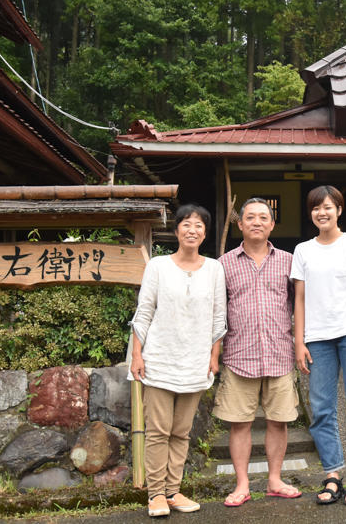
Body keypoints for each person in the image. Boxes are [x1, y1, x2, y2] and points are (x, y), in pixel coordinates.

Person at [128, 204, 227, 517]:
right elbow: (144, 312)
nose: (192, 230)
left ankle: (173, 490)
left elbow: (218, 317)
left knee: (181, 432)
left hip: (195, 361)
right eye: (186, 224)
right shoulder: (158, 266)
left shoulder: (214, 269)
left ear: (205, 233)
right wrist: (136, 353)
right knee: (158, 431)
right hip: (159, 358)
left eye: (199, 225)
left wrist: (214, 357)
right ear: (176, 230)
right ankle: (156, 493)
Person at [291, 185, 346, 506]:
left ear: (339, 209)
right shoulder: (303, 250)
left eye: (328, 206)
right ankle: (332, 474)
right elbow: (298, 300)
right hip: (317, 339)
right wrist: (298, 342)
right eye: (315, 208)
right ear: (310, 213)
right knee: (322, 410)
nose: (321, 212)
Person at [214, 197, 300, 507]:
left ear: (272, 224)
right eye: (250, 217)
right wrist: (215, 353)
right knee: (240, 423)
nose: (257, 222)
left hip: (279, 353)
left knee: (279, 421)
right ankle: (242, 484)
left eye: (264, 217)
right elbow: (216, 311)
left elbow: (299, 305)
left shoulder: (289, 261)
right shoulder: (223, 264)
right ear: (240, 223)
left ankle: (275, 480)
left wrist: (300, 344)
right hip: (239, 355)